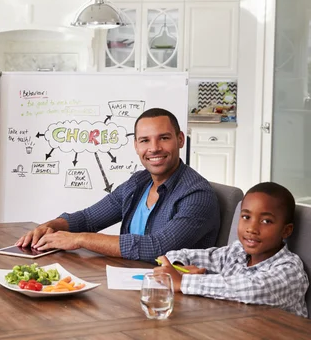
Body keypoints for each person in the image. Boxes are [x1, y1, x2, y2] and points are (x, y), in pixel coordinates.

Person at [16, 108, 220, 263]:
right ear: (136, 146)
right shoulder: (138, 183)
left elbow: (158, 248)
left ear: (180, 140)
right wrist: (50, 226)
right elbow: (88, 218)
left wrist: (79, 239)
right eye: (145, 141)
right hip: (129, 283)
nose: (154, 148)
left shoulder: (197, 194)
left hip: (174, 297)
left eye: (164, 138)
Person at [155, 182, 308, 317]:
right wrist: (180, 268)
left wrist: (183, 281)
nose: (252, 228)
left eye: (266, 221)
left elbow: (250, 290)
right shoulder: (236, 253)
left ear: (286, 230)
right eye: (246, 217)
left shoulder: (290, 270)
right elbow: (180, 254)